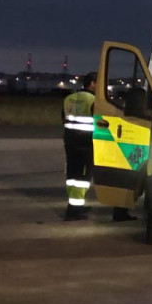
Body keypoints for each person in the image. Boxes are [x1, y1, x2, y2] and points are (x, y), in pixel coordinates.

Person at [62, 73, 98, 220]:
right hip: (86, 143)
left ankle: (73, 206)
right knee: (82, 178)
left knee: (71, 175)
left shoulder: (69, 98)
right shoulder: (93, 100)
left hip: (70, 141)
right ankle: (74, 211)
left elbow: (63, 119)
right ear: (93, 83)